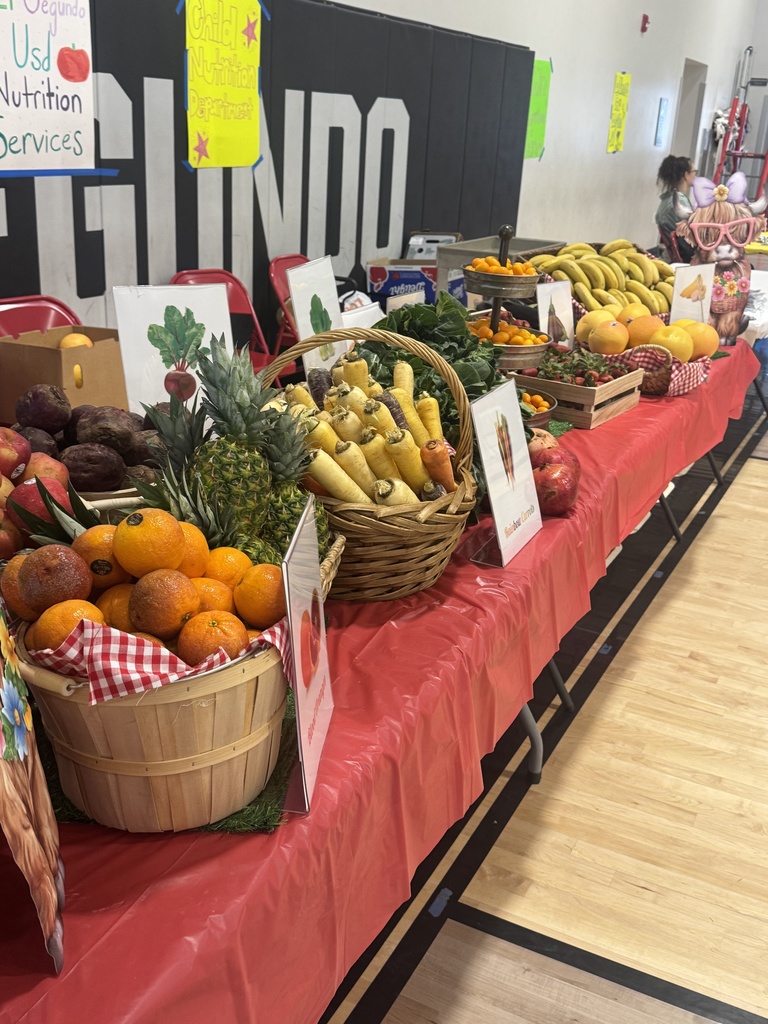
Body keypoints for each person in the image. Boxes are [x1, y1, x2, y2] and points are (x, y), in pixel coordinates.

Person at [655, 155, 697, 261]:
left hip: (671, 256)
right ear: (686, 175)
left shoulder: (667, 199)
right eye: (694, 172)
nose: (696, 176)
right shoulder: (678, 202)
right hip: (685, 259)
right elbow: (691, 243)